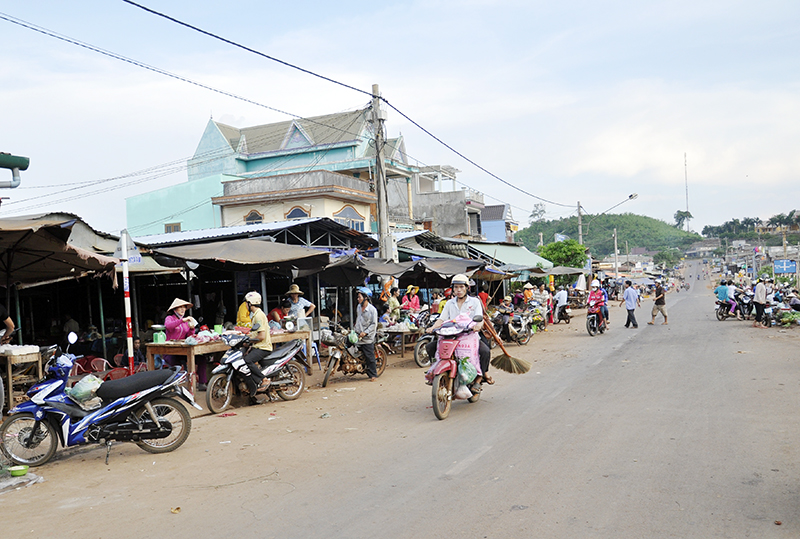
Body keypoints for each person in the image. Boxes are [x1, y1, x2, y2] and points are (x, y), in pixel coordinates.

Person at [426, 274, 492, 386]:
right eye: (456, 287)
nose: (459, 290)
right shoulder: (449, 303)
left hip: (469, 334)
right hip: (451, 336)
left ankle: (480, 377)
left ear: (467, 288)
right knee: (430, 347)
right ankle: (439, 371)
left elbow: (479, 318)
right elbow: (441, 319)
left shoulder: (474, 302)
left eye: (461, 287)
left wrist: (478, 326)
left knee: (485, 351)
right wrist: (432, 327)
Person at [241, 291, 273, 397]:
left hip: (263, 347)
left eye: (246, 303)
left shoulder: (259, 316)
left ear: (250, 303)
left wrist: (249, 341)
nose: (245, 305)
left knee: (248, 360)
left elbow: (261, 336)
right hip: (257, 346)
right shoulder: (255, 315)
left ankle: (264, 379)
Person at [353, 287, 378, 381]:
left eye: (359, 297)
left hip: (368, 337)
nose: (358, 299)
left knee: (370, 356)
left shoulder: (372, 310)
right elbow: (358, 319)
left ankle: (373, 375)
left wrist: (365, 332)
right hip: (358, 334)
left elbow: (373, 324)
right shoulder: (359, 307)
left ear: (365, 298)